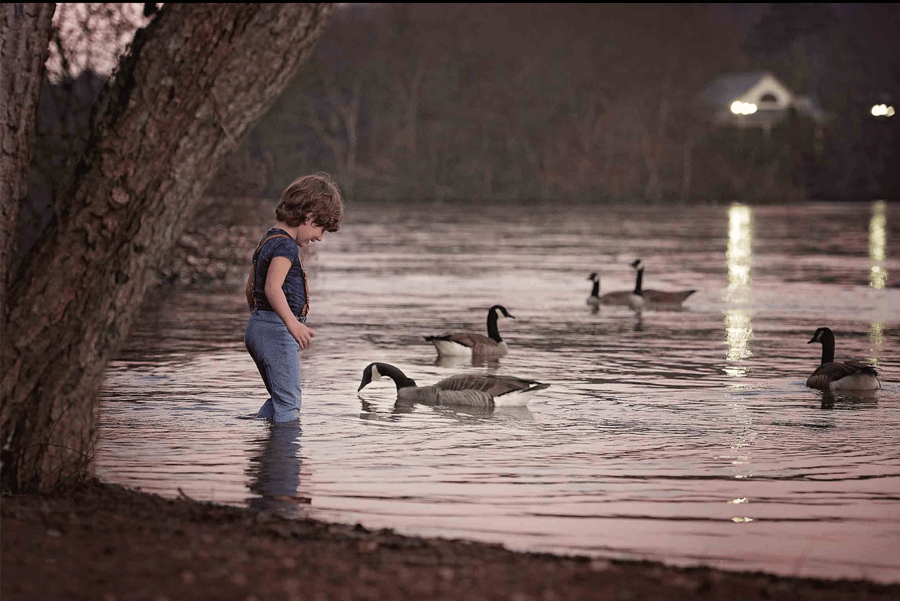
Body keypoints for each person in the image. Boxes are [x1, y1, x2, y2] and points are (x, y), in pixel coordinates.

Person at [244, 173, 344, 422]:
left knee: (281, 399)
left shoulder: (267, 240)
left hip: (257, 327)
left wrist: (259, 324)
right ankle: (286, 458)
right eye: (320, 228)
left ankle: (265, 448)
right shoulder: (286, 245)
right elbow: (272, 288)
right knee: (290, 403)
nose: (320, 237)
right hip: (276, 330)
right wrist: (291, 323)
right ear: (308, 216)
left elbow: (250, 289)